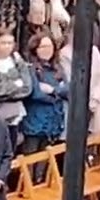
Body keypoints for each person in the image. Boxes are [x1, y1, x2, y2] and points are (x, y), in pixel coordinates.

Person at [20, 33, 68, 164]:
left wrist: (53, 90)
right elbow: (36, 93)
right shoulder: (30, 69)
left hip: (53, 124)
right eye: (43, 47)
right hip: (35, 123)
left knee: (45, 164)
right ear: (35, 49)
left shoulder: (58, 68)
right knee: (30, 162)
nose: (47, 50)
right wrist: (58, 95)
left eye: (49, 46)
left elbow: (68, 90)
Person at [59, 23, 100, 135]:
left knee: (97, 136)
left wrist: (95, 99)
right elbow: (71, 80)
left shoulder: (94, 51)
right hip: (77, 105)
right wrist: (86, 102)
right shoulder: (64, 54)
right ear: (69, 33)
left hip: (96, 102)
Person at [0, 30, 32, 129]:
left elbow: (27, 88)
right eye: (3, 43)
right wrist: (16, 84)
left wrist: (6, 90)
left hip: (16, 113)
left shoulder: (17, 60)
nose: (7, 46)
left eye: (10, 43)